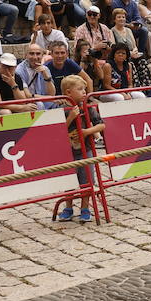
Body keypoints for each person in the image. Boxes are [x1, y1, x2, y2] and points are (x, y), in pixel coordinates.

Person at [57, 74, 104, 223]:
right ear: (68, 93)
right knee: (69, 182)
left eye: (84, 89)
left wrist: (87, 132)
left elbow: (101, 125)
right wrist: (71, 117)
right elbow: (57, 132)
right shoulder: (61, 110)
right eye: (80, 89)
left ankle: (85, 209)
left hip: (87, 150)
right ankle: (68, 208)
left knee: (87, 181)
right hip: (68, 153)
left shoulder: (88, 107)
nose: (84, 92)